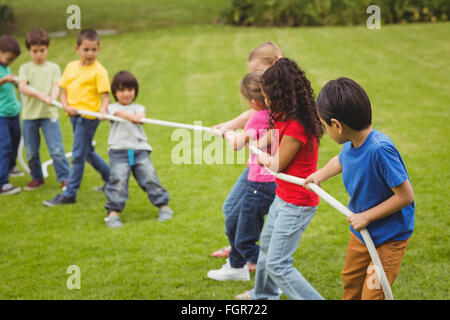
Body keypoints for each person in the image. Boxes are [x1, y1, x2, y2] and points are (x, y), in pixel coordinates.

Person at [304, 77, 415, 300]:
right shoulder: (352, 144)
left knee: (373, 295)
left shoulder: (379, 150)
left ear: (337, 124)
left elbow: (405, 196)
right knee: (351, 282)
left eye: (325, 126)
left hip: (388, 238)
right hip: (363, 234)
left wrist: (367, 216)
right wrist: (320, 175)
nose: (326, 130)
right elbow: (341, 160)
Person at [236, 58, 324, 300]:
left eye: (268, 97)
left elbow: (277, 165)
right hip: (282, 196)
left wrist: (262, 156)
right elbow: (276, 134)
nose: (265, 102)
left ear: (280, 94)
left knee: (278, 264)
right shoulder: (286, 115)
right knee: (265, 247)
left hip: (297, 203)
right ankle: (263, 295)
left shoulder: (298, 125)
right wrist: (256, 140)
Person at [210, 41, 283, 259]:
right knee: (231, 209)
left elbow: (275, 125)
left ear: (274, 64)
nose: (256, 79)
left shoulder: (283, 93)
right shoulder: (265, 98)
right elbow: (253, 115)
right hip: (257, 166)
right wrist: (228, 126)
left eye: (258, 72)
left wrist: (242, 137)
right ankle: (239, 251)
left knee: (242, 213)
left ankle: (243, 255)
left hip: (268, 171)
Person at [207, 71, 276, 280]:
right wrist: (229, 128)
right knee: (233, 216)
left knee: (243, 238)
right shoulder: (276, 112)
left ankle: (273, 274)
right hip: (268, 179)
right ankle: (237, 267)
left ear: (253, 101)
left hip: (260, 182)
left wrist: (227, 134)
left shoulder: (258, 117)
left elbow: (237, 144)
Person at [43, 29, 110, 206]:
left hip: (89, 118)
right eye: (86, 49)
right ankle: (111, 179)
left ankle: (70, 194)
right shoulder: (71, 67)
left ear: (99, 49)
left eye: (94, 50)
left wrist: (103, 110)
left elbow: (105, 96)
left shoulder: (99, 71)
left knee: (78, 155)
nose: (90, 53)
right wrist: (65, 105)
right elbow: (64, 91)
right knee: (87, 153)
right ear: (77, 49)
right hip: (74, 116)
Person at [103, 71, 173, 228]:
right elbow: (117, 113)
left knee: (150, 178)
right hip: (118, 152)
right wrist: (131, 118)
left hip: (139, 150)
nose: (126, 94)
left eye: (129, 90)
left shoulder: (138, 107)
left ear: (135, 91)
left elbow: (141, 115)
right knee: (118, 181)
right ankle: (113, 214)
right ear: (115, 93)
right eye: (121, 90)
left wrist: (138, 118)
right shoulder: (112, 108)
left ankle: (164, 206)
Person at [18, 28, 70, 191]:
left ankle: (65, 178)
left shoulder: (53, 68)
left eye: (42, 50)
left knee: (56, 148)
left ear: (47, 49)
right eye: (35, 51)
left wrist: (52, 98)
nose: (39, 54)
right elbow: (23, 87)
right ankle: (37, 178)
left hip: (49, 115)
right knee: (32, 151)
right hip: (29, 116)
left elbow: (56, 86)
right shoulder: (25, 68)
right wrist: (40, 96)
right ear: (29, 51)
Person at [0, 35, 22, 195]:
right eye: (8, 59)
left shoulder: (5, 66)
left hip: (13, 112)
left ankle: (11, 167)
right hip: (1, 114)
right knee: (5, 145)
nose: (10, 62)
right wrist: (4, 79)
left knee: (15, 141)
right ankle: (3, 183)